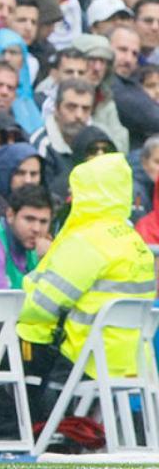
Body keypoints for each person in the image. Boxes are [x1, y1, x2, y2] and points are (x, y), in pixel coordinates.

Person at [16, 153, 155, 423]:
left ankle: (7, 432)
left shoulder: (86, 241)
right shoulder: (134, 241)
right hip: (129, 359)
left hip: (82, 359)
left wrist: (25, 292)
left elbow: (41, 307)